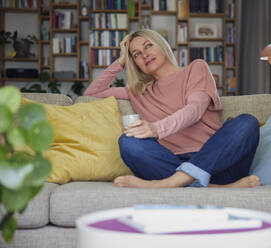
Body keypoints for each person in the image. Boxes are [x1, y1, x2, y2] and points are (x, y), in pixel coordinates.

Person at [84, 29, 260, 188]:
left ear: (162, 45)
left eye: (148, 46)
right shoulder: (138, 92)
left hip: (217, 162)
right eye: (137, 54)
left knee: (247, 122)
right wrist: (122, 60)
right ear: (135, 63)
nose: (144, 55)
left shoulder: (196, 69)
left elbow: (194, 110)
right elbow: (93, 92)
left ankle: (173, 183)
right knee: (128, 141)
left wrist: (156, 129)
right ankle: (215, 189)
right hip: (171, 164)